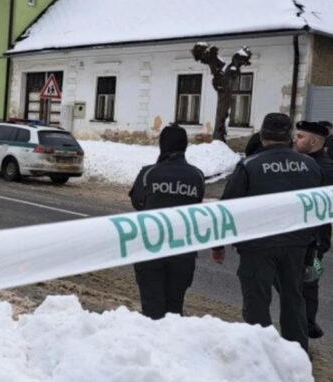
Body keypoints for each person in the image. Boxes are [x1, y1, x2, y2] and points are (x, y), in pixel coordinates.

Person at [212, 113, 323, 352]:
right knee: (293, 299)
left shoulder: (249, 166)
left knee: (257, 302)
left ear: (262, 136)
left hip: (257, 246)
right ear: (290, 137)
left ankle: (261, 356)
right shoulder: (310, 165)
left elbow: (227, 208)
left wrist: (218, 245)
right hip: (297, 245)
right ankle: (297, 357)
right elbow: (316, 207)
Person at [129, 124, 205, 319]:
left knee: (152, 309)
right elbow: (197, 203)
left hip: (150, 249)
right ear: (185, 146)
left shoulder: (148, 173)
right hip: (183, 251)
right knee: (174, 309)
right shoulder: (197, 176)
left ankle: (154, 347)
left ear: (162, 145)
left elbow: (138, 202)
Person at [293, 121, 333, 339]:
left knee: (309, 281)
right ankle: (306, 322)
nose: (294, 140)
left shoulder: (324, 169)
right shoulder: (302, 163)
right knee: (305, 284)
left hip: (315, 241)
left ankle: (306, 324)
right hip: (304, 238)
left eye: (300, 136)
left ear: (315, 141)